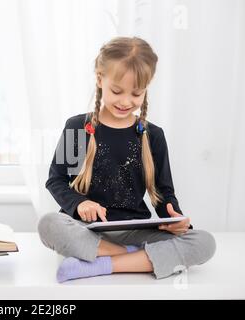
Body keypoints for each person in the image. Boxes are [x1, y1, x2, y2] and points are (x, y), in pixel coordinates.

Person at [38, 36, 216, 282]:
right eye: (117, 91)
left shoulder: (152, 135)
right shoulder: (79, 128)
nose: (125, 102)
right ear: (100, 79)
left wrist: (174, 218)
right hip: (87, 230)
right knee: (49, 224)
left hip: (136, 230)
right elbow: (56, 180)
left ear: (146, 88)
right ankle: (137, 258)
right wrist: (80, 203)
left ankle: (99, 264)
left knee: (204, 242)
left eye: (136, 93)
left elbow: (164, 194)